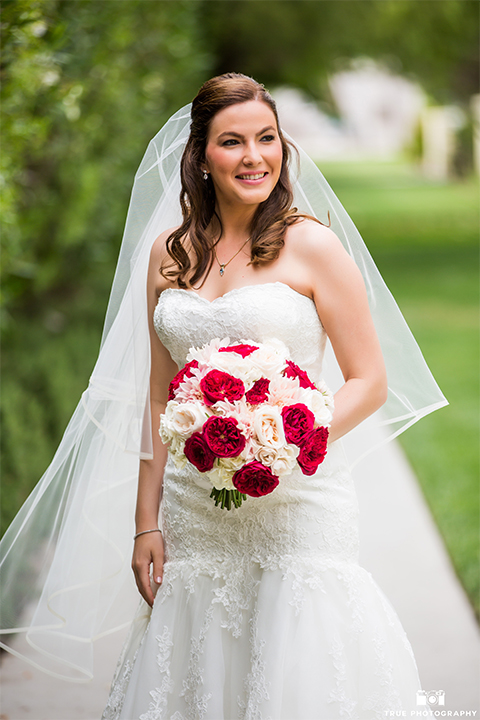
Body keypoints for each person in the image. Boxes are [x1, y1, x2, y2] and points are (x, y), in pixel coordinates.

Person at [0, 73, 446, 718]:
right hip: (193, 511)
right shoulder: (169, 254)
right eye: (232, 142)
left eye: (266, 139)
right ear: (200, 158)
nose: (253, 156)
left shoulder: (312, 244)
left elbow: (369, 382)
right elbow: (157, 396)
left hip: (296, 505)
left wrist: (290, 436)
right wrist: (145, 521)